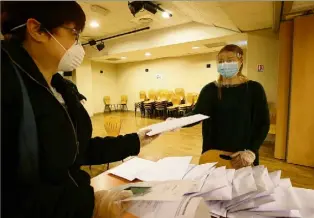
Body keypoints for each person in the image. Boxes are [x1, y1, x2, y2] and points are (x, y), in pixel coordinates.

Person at [1, 2, 157, 218]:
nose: (78, 44)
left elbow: (76, 149)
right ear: (37, 29)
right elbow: (11, 195)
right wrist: (90, 206)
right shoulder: (7, 83)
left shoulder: (60, 87)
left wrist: (136, 140)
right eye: (74, 33)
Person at [184, 44, 270, 167]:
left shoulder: (254, 89)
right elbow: (197, 115)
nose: (225, 64)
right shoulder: (210, 90)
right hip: (213, 154)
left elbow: (262, 123)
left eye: (230, 60)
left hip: (242, 157)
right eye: (221, 61)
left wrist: (251, 150)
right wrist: (175, 122)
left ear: (240, 62)